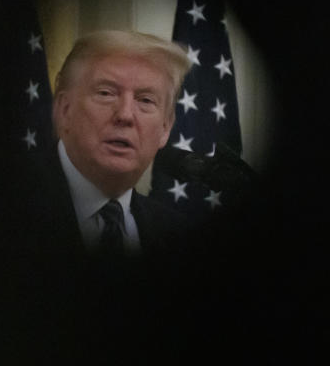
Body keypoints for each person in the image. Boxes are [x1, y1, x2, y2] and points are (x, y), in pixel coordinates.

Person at [13, 30, 195, 270]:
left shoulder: (178, 233)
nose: (125, 115)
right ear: (64, 111)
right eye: (106, 93)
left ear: (165, 128)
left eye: (145, 100)